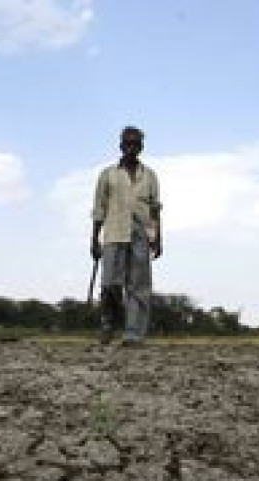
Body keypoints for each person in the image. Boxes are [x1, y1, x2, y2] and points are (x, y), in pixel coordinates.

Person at [90, 126, 163, 346]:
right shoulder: (108, 174)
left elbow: (155, 210)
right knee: (110, 283)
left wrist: (158, 238)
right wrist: (94, 238)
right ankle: (108, 322)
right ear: (121, 145)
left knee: (138, 286)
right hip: (113, 233)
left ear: (141, 147)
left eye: (136, 143)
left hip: (141, 234)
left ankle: (134, 334)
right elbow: (99, 208)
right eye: (127, 143)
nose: (131, 147)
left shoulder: (150, 176)